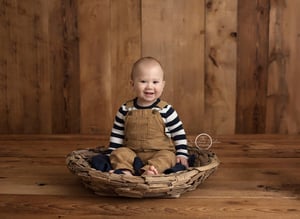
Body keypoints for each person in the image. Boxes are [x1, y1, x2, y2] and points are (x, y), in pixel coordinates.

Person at [107, 56, 189, 176]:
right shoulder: (125, 109)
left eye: (155, 82)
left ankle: (150, 171)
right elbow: (117, 133)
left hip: (159, 153)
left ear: (163, 85)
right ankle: (125, 171)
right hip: (132, 154)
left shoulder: (166, 110)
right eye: (143, 81)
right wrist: (112, 155)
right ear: (132, 84)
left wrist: (182, 153)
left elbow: (178, 133)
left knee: (169, 156)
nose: (149, 86)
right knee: (119, 153)